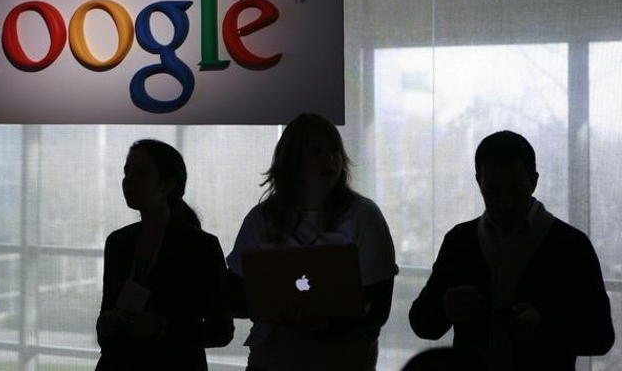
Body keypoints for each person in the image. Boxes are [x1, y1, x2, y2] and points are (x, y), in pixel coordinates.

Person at [408, 130, 615, 371]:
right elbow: (421, 323)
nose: (504, 202)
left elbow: (601, 337)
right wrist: (443, 308)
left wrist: (543, 325)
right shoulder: (567, 244)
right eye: (492, 191)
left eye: (515, 190)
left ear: (534, 182)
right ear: (478, 182)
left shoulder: (571, 246)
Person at [226, 113, 398, 371]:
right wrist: (281, 312)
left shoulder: (364, 216)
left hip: (344, 361)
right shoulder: (262, 218)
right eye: (316, 151)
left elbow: (378, 310)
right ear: (292, 160)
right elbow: (233, 298)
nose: (329, 159)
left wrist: (327, 325)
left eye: (334, 150)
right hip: (273, 360)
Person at [96, 139, 234, 370]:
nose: (128, 180)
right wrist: (105, 325)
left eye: (140, 172)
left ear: (167, 184)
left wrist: (162, 328)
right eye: (126, 171)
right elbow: (106, 314)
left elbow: (221, 331)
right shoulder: (118, 242)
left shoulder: (200, 247)